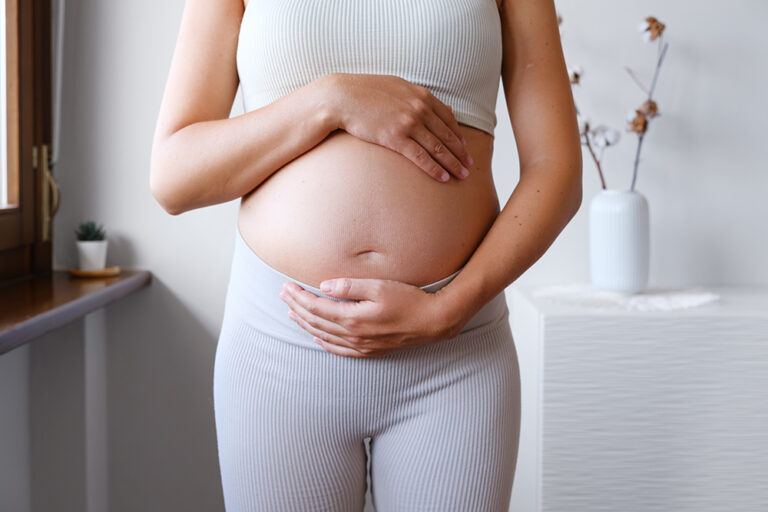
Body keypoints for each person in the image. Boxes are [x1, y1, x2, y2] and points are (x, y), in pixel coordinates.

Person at [150, 0, 582, 510]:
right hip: (280, 349)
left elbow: (556, 169)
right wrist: (330, 100)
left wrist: (448, 309)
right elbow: (174, 176)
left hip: (455, 354)